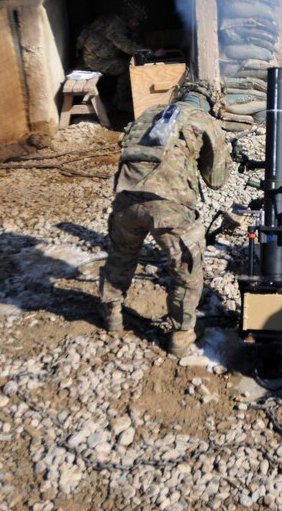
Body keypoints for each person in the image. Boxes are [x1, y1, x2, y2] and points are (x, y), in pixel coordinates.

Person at [98, 80, 231, 357]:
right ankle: (181, 336)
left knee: (121, 256)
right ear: (209, 103)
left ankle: (111, 315)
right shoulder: (202, 120)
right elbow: (216, 180)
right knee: (186, 269)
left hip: (125, 199)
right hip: (169, 209)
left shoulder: (149, 112)